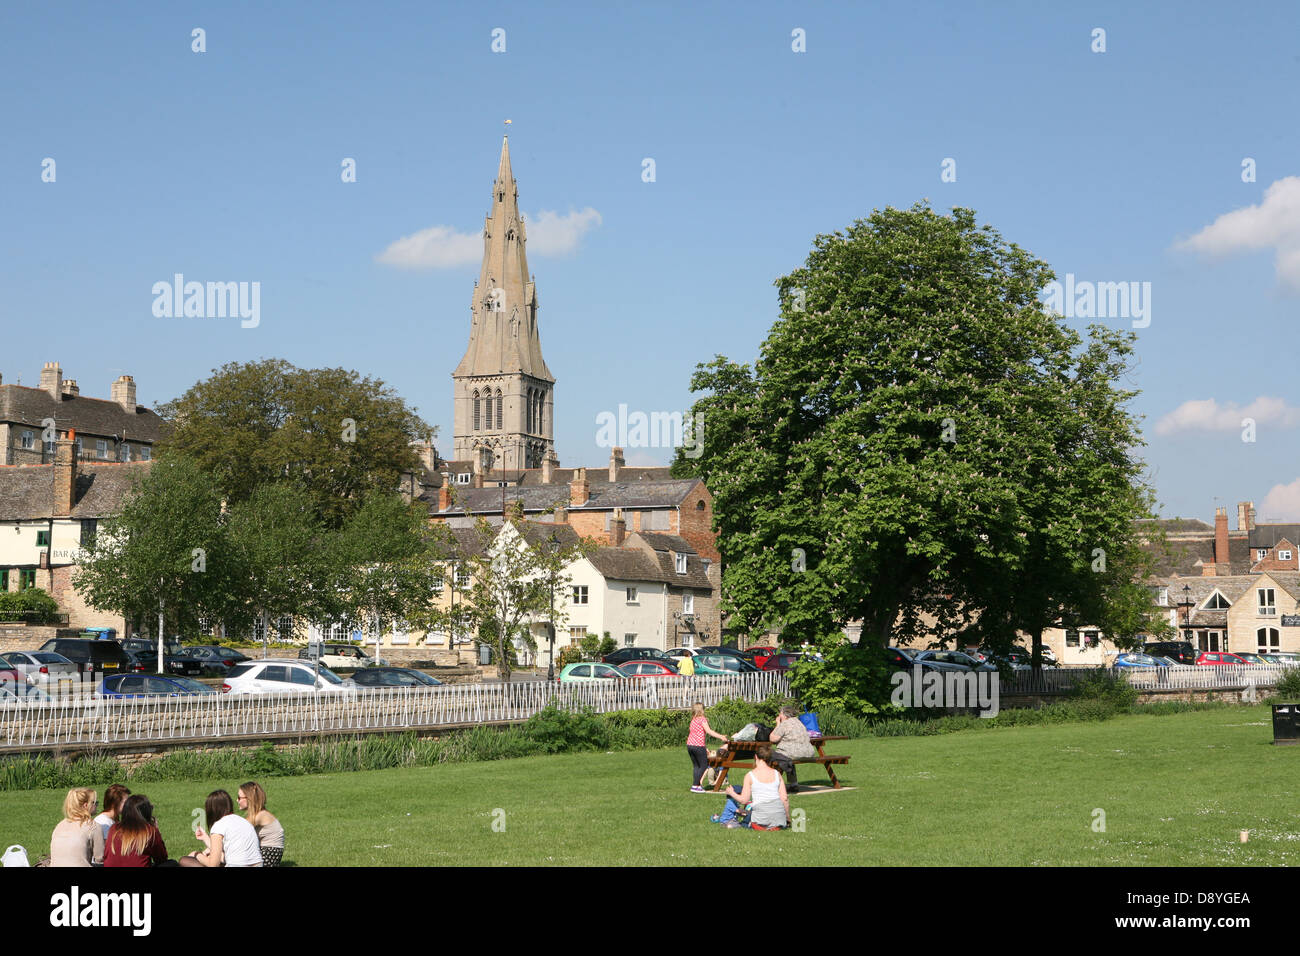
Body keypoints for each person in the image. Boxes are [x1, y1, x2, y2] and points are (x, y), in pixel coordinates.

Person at [710, 744, 789, 830]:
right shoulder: (777, 774)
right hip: (779, 822)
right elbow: (784, 798)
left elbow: (744, 800)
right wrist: (787, 819)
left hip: (760, 822)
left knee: (745, 821)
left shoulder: (750, 775)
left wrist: (731, 793)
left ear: (755, 757)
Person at [179, 790, 263, 867]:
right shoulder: (244, 821)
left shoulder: (219, 825)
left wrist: (197, 854)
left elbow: (213, 864)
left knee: (184, 860)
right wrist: (205, 838)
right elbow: (229, 853)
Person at [104, 794, 168, 867]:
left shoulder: (114, 828)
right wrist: (156, 830)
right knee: (172, 863)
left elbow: (106, 855)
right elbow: (161, 858)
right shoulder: (149, 831)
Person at [50, 788, 104, 867]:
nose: (97, 805)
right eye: (94, 803)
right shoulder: (93, 826)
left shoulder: (59, 826)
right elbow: (100, 858)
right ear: (86, 805)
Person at [768, 705, 816, 792]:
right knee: (788, 758)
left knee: (771, 755)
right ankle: (793, 784)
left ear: (785, 715)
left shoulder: (785, 724)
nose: (779, 716)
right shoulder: (799, 722)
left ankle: (771, 784)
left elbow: (772, 738)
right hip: (808, 752)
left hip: (793, 753)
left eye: (780, 714)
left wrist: (778, 724)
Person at [238, 781, 285, 867]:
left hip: (268, 853)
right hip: (267, 852)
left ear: (249, 798)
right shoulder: (259, 814)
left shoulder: (260, 815)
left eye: (239, 797)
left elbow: (237, 832)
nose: (237, 800)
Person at [686, 701, 728, 793]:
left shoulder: (693, 720)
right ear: (702, 710)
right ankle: (696, 785)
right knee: (704, 765)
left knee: (696, 766)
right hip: (698, 745)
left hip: (690, 745)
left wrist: (705, 748)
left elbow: (695, 734)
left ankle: (695, 786)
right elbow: (709, 731)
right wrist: (721, 736)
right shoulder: (702, 719)